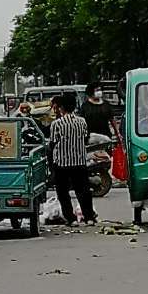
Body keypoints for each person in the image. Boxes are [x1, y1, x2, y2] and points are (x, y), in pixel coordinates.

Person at [48, 91, 95, 225]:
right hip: (79, 161)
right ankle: (89, 217)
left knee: (63, 192)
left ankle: (71, 218)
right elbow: (86, 139)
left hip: (61, 163)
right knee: (83, 191)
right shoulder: (82, 122)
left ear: (61, 108)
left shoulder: (57, 124)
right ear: (74, 107)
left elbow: (52, 143)